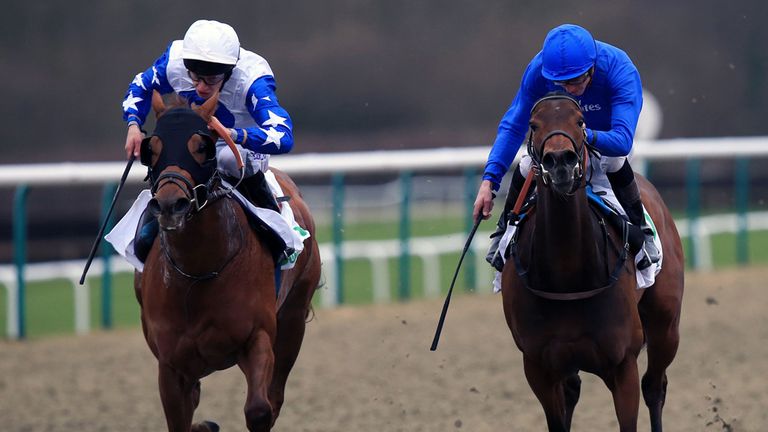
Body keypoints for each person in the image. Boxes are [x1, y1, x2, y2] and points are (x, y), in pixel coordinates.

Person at [473, 23, 661, 271]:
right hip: (558, 145)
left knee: (615, 161)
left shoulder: (619, 68)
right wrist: (489, 182)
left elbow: (623, 140)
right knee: (528, 161)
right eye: (561, 84)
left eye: (576, 81)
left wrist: (582, 136)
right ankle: (504, 229)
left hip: (605, 143)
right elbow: (513, 127)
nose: (571, 89)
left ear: (592, 66)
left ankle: (642, 229)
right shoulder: (539, 70)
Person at [121, 19, 294, 262]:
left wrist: (234, 135)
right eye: (194, 77)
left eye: (211, 80)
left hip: (240, 145)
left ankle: (274, 227)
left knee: (227, 160)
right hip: (195, 142)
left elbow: (283, 136)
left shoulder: (254, 81)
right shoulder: (173, 62)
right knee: (168, 153)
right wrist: (133, 125)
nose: (201, 87)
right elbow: (139, 87)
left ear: (229, 72)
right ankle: (154, 218)